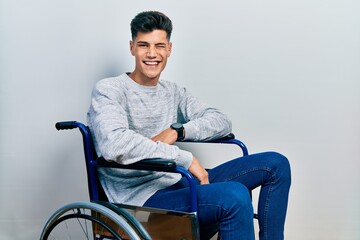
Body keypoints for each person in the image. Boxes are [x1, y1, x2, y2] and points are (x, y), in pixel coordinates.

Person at [87, 11, 291, 240]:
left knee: (276, 164)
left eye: (159, 46)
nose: (152, 54)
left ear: (169, 49)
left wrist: (178, 130)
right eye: (144, 45)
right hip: (141, 199)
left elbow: (221, 121)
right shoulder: (110, 90)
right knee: (234, 195)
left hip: (179, 181)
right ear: (132, 47)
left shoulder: (173, 92)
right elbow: (115, 144)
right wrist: (187, 159)